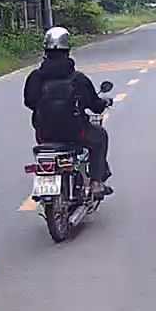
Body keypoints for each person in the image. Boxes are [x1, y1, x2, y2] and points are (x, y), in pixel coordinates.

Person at [23, 27, 114, 197]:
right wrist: (104, 102)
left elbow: (29, 102)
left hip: (45, 135)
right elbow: (95, 105)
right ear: (68, 50)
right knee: (100, 136)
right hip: (76, 133)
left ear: (45, 50)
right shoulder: (78, 78)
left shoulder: (35, 77)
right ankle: (96, 182)